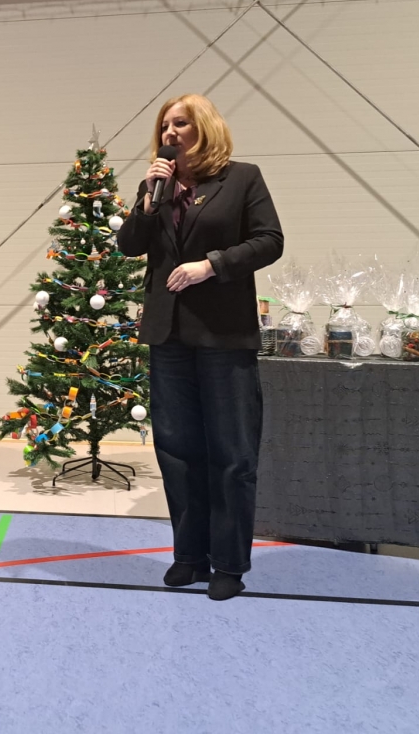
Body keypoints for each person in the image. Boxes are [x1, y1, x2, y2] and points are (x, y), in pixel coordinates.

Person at [117, 94, 284, 601]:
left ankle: (228, 564)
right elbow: (129, 244)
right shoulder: (156, 187)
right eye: (164, 125)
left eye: (180, 123)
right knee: (177, 450)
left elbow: (270, 240)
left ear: (204, 128)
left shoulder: (242, 178)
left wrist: (211, 265)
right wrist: (149, 201)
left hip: (223, 334)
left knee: (231, 453)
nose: (169, 132)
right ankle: (189, 556)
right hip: (168, 335)